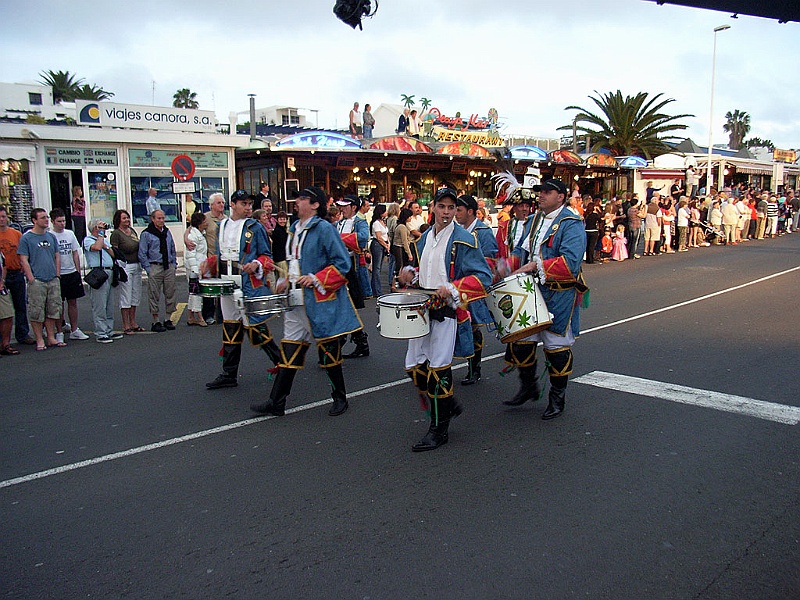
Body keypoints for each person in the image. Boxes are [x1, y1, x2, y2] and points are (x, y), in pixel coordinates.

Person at [250, 186, 363, 417]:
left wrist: (315, 278)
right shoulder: (294, 228)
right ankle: (276, 402)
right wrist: (285, 280)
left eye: (303, 198)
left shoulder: (324, 229)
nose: (297, 201)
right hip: (295, 300)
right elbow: (294, 263)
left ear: (315, 205)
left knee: (329, 350)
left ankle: (340, 398)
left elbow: (343, 264)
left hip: (320, 301)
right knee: (290, 350)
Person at [397, 188, 492, 451]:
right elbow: (424, 270)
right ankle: (448, 405)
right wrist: (410, 274)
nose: (447, 212)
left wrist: (452, 288)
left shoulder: (465, 239)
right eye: (442, 207)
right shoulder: (425, 237)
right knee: (414, 367)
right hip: (422, 307)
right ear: (434, 208)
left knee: (439, 369)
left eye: (452, 207)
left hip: (447, 312)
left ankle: (438, 429)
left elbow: (482, 277)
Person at [501, 178, 588, 421]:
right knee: (520, 341)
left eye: (547, 192)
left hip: (558, 293)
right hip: (531, 289)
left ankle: (557, 397)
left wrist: (533, 266)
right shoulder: (535, 220)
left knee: (555, 348)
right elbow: (523, 250)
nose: (540, 196)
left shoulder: (571, 223)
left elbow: (570, 263)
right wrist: (508, 264)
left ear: (561, 196)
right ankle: (528, 387)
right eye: (540, 191)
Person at [204, 190, 281, 389]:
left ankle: (281, 364)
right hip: (226, 283)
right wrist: (210, 263)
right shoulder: (222, 226)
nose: (248, 208)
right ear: (233, 204)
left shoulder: (255, 227)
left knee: (255, 326)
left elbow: (266, 256)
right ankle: (229, 373)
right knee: (230, 327)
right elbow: (222, 255)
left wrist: (256, 264)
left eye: (250, 204)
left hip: (247, 284)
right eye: (244, 204)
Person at [454, 193, 497, 386]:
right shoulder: (456, 230)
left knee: (471, 328)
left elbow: (488, 263)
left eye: (459, 210)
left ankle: (474, 368)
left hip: (472, 287)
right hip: (456, 285)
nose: (455, 213)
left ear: (470, 212)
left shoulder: (483, 232)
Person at [18, 208, 63, 351]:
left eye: (46, 217)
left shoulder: (51, 237)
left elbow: (57, 255)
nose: (46, 220)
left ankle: (50, 337)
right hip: (37, 280)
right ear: (34, 220)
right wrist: (31, 278)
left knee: (53, 309)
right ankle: (39, 339)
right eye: (42, 218)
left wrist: (56, 274)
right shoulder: (27, 238)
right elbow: (23, 259)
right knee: (37, 311)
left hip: (52, 279)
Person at [335, 195, 371, 358]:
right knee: (345, 307)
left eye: (345, 206)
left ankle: (340, 342)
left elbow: (362, 238)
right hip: (338, 267)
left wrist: (339, 239)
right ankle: (359, 342)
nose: (341, 209)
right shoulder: (339, 223)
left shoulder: (360, 222)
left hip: (351, 267)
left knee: (346, 306)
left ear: (354, 207)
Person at [49, 208, 88, 342]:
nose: (62, 224)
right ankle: (59, 331)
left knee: (73, 302)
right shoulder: (50, 236)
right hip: (58, 274)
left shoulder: (70, 234)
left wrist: (77, 271)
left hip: (71, 272)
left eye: (64, 221)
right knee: (59, 304)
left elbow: (75, 252)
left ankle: (74, 329)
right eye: (59, 221)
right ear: (53, 221)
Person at [138, 209, 177, 332]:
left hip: (168, 265)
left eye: (163, 218)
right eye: (158, 218)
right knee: (154, 294)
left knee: (170, 293)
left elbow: (172, 247)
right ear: (153, 219)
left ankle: (167, 318)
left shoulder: (167, 231)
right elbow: (142, 252)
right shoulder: (147, 234)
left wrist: (174, 264)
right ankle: (156, 320)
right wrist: (148, 269)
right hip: (155, 266)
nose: (161, 221)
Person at [84, 218, 121, 344]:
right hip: (98, 272)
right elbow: (97, 248)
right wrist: (100, 236)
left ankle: (109, 330)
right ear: (95, 228)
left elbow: (112, 253)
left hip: (109, 271)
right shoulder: (88, 240)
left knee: (109, 304)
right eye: (100, 226)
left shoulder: (104, 240)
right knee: (99, 304)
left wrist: (104, 242)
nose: (103, 228)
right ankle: (101, 332)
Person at [0, 206, 34, 345]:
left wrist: (24, 267)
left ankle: (22, 334)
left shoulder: (16, 234)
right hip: (1, 275)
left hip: (16, 273)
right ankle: (3, 339)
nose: (1, 220)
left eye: (3, 216)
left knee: (20, 305)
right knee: (3, 310)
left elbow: (24, 253)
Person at [110, 209, 144, 334]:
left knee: (135, 295)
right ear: (118, 220)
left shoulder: (132, 231)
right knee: (126, 295)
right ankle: (125, 324)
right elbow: (115, 252)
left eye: (128, 218)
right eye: (124, 218)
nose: (127, 220)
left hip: (137, 265)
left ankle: (133, 321)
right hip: (125, 266)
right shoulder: (116, 234)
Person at [184, 212, 208, 327]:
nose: (206, 223)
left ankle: (190, 316)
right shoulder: (193, 236)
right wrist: (195, 270)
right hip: (195, 268)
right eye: (204, 221)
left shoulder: (199, 233)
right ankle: (199, 316)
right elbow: (190, 254)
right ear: (199, 223)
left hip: (200, 265)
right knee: (196, 291)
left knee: (193, 292)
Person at [496, 191, 533, 259]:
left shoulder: (535, 224)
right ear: (514, 208)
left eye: (527, 206)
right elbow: (497, 249)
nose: (524, 209)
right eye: (521, 206)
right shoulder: (504, 226)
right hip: (508, 266)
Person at [0, 246, 19, 356]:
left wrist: (2, 282)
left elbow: (4, 267)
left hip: (2, 288)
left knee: (8, 315)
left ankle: (5, 345)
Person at [369, 204, 390, 296]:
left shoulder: (383, 222)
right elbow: (378, 236)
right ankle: (376, 290)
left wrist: (388, 243)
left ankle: (377, 288)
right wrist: (385, 245)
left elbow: (386, 234)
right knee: (376, 268)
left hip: (384, 243)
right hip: (378, 244)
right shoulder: (376, 223)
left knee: (379, 268)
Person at [391, 208, 415, 283]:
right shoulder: (402, 227)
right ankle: (397, 282)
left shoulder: (401, 225)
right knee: (400, 266)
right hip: (399, 247)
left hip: (398, 247)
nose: (411, 218)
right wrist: (409, 254)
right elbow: (404, 241)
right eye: (410, 216)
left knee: (399, 265)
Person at [271, 211, 289, 275]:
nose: (282, 221)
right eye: (280, 219)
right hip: (280, 259)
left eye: (284, 219)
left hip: (282, 258)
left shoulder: (283, 230)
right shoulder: (278, 231)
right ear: (277, 220)